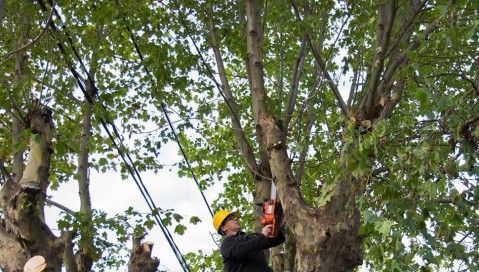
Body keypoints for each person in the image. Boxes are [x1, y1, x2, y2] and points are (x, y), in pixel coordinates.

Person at [212, 210, 285, 272]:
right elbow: (240, 250)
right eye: (231, 219)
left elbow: (276, 240)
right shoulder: (227, 244)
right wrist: (262, 237)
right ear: (223, 227)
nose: (236, 219)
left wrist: (276, 223)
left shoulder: (250, 237)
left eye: (235, 217)